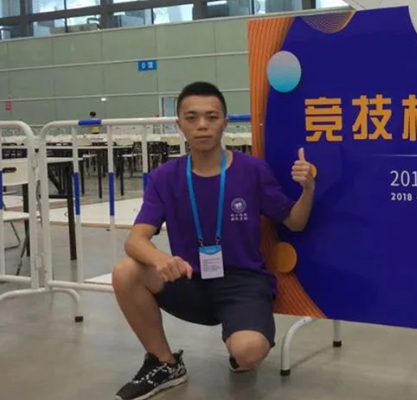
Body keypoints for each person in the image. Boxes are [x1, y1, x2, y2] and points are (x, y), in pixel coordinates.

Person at [111, 81, 315, 400]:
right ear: (179, 124)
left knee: (249, 352)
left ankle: (238, 339)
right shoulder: (166, 177)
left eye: (211, 117)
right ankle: (165, 363)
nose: (202, 125)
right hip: (188, 280)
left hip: (242, 283)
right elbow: (135, 240)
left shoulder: (252, 171)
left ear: (225, 122)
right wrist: (160, 259)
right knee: (126, 271)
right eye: (192, 117)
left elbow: (295, 221)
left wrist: (308, 189)